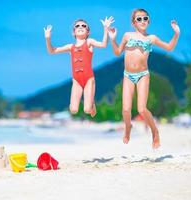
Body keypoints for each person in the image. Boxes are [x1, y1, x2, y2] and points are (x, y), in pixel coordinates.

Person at [108, 8, 180, 149]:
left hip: (143, 75)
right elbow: (117, 52)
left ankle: (155, 132)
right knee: (126, 110)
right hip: (128, 75)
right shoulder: (127, 35)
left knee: (141, 109)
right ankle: (128, 127)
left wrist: (176, 33)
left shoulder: (151, 38)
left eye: (145, 18)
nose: (142, 21)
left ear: (149, 21)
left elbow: (170, 47)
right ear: (133, 22)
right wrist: (112, 39)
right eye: (139, 19)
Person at [44, 17, 114, 117]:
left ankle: (91, 104)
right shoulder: (70, 47)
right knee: (73, 110)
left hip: (89, 79)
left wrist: (106, 29)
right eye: (77, 26)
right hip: (76, 80)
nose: (80, 27)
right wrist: (47, 38)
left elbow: (103, 44)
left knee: (87, 109)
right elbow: (52, 51)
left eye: (84, 26)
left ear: (88, 32)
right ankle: (83, 102)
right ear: (74, 32)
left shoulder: (89, 42)